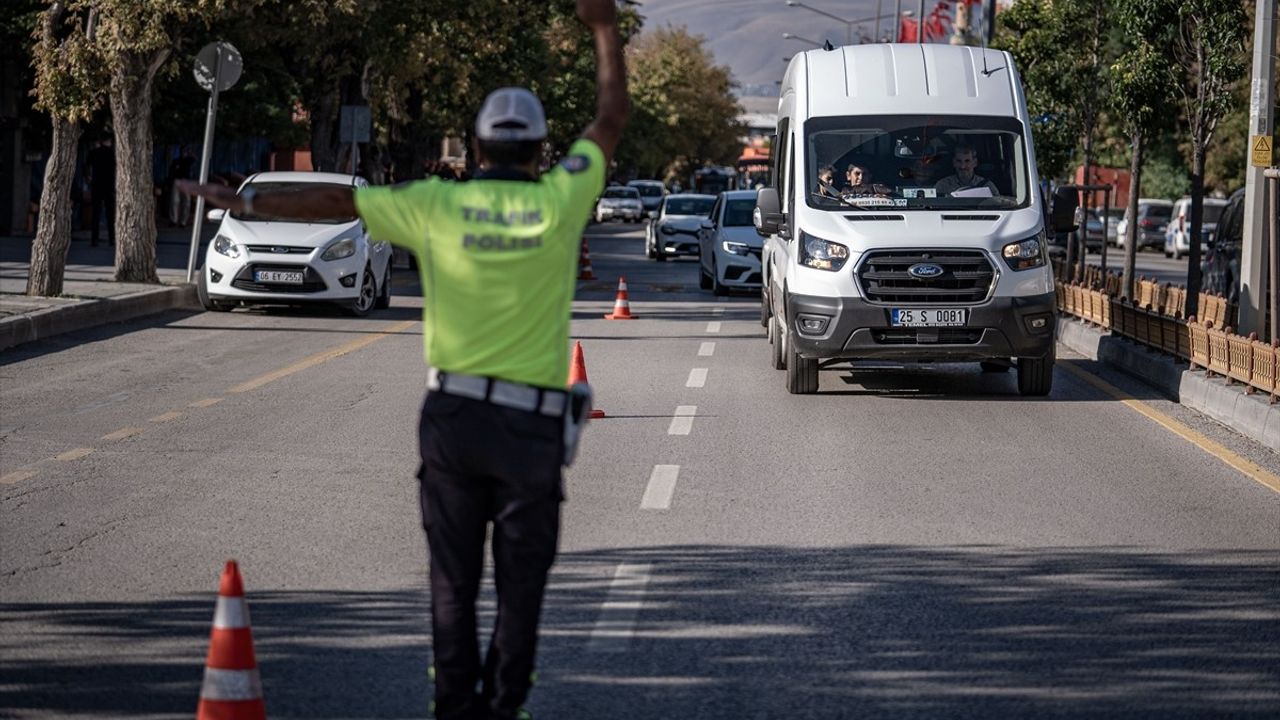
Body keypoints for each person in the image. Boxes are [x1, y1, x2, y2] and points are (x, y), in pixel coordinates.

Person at [177, 2, 625, 718]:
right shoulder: (561, 198)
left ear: (475, 150)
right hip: (531, 433)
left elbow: (337, 200)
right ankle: (503, 707)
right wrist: (604, 26)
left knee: (451, 586)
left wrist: (244, 200)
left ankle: (453, 707)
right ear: (541, 152)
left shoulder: (433, 206)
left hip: (452, 420)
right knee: (521, 591)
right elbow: (608, 120)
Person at [934, 145, 999, 197]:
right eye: (959, 161)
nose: (963, 166)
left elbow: (998, 207)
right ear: (954, 163)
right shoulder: (942, 186)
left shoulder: (988, 186)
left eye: (967, 161)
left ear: (975, 162)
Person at [85, 136, 116, 246]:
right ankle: (112, 238)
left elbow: (87, 168)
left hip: (97, 185)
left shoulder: (94, 152)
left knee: (96, 213)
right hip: (109, 185)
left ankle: (95, 239)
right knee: (110, 213)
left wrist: (88, 179)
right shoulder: (112, 153)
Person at [167, 146, 196, 227]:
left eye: (186, 152)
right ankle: (174, 220)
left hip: (187, 182)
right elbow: (172, 172)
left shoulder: (190, 161)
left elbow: (194, 161)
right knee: (174, 201)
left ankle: (183, 221)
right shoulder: (176, 161)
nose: (184, 154)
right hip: (177, 181)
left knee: (186, 202)